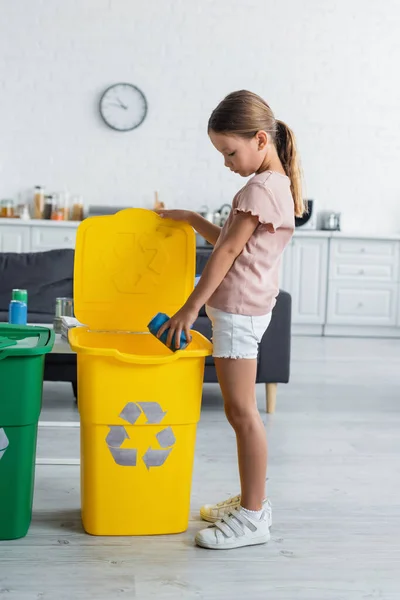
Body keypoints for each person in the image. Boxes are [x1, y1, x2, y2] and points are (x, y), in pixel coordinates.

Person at [156, 90, 305, 550]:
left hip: (238, 311)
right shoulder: (277, 185)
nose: (226, 162)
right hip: (249, 306)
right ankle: (251, 498)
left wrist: (190, 307)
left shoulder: (257, 188)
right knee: (240, 414)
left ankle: (254, 516)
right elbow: (231, 239)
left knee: (242, 414)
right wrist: (193, 218)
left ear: (261, 139)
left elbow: (226, 251)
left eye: (230, 152)